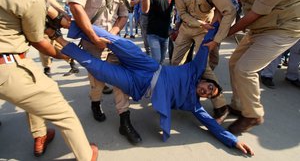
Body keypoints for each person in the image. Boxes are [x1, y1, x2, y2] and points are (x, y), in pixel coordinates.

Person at [48, 21, 254, 156]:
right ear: (205, 81)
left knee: (99, 69)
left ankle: (57, 38)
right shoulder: (194, 70)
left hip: (138, 86)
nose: (207, 91)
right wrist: (216, 25)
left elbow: (212, 125)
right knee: (120, 43)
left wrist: (233, 142)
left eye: (209, 95)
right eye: (210, 87)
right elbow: (206, 45)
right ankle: (67, 21)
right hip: (147, 66)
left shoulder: (193, 105)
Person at [0, 0, 98, 160]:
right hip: (8, 65)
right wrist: (66, 55)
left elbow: (49, 6)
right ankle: (86, 155)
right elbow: (39, 41)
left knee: (32, 93)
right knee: (62, 110)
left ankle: (40, 136)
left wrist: (61, 22)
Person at [221, 0, 300, 134]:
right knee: (234, 63)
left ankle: (253, 114)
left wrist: (224, 33)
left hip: (282, 28)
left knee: (245, 69)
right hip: (261, 25)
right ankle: (239, 105)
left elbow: (255, 13)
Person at [68, 0, 141, 144]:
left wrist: (113, 36)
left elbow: (124, 14)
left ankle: (124, 121)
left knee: (121, 80)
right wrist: (94, 37)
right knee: (97, 83)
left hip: (112, 42)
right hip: (91, 42)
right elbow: (75, 6)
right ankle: (95, 102)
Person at [172, 0, 236, 123]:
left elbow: (229, 11)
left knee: (203, 67)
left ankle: (221, 107)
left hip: (205, 32)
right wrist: (198, 23)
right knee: (175, 64)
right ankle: (178, 96)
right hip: (188, 28)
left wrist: (216, 40)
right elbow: (182, 13)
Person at [141, 0, 175, 64]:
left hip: (165, 35)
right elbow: (145, 9)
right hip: (153, 34)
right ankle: (151, 78)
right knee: (156, 60)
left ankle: (156, 78)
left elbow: (178, 8)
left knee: (161, 61)